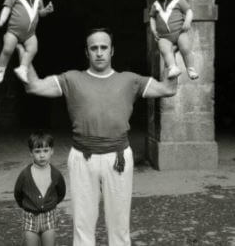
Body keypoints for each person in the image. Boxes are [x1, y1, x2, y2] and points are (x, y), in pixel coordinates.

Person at [16, 27, 178, 246]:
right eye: (94, 48)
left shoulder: (130, 80)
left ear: (112, 51)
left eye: (104, 47)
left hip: (118, 157)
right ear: (87, 52)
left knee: (120, 224)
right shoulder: (71, 79)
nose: (99, 52)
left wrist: (171, 57)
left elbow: (168, 89)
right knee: (82, 224)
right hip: (82, 157)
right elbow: (34, 86)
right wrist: (25, 55)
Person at [0, 0, 54, 84]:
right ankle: (1, 69)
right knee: (7, 50)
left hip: (30, 34)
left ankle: (23, 68)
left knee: (33, 49)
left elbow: (40, 14)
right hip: (13, 31)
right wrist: (1, 21)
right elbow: (6, 9)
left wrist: (46, 10)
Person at [14, 130, 66, 246]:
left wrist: (50, 203)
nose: (42, 155)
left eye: (45, 151)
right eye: (37, 151)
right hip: (30, 217)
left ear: (52, 151)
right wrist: (28, 205)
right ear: (31, 153)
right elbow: (18, 194)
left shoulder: (56, 174)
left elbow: (61, 192)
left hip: (49, 217)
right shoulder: (25, 175)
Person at [149, 0, 199, 80]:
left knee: (185, 48)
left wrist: (187, 21)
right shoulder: (155, 5)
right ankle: (173, 67)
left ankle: (190, 68)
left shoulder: (179, 1)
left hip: (179, 33)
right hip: (164, 37)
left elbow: (189, 11)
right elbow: (152, 17)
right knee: (163, 48)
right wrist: (153, 29)